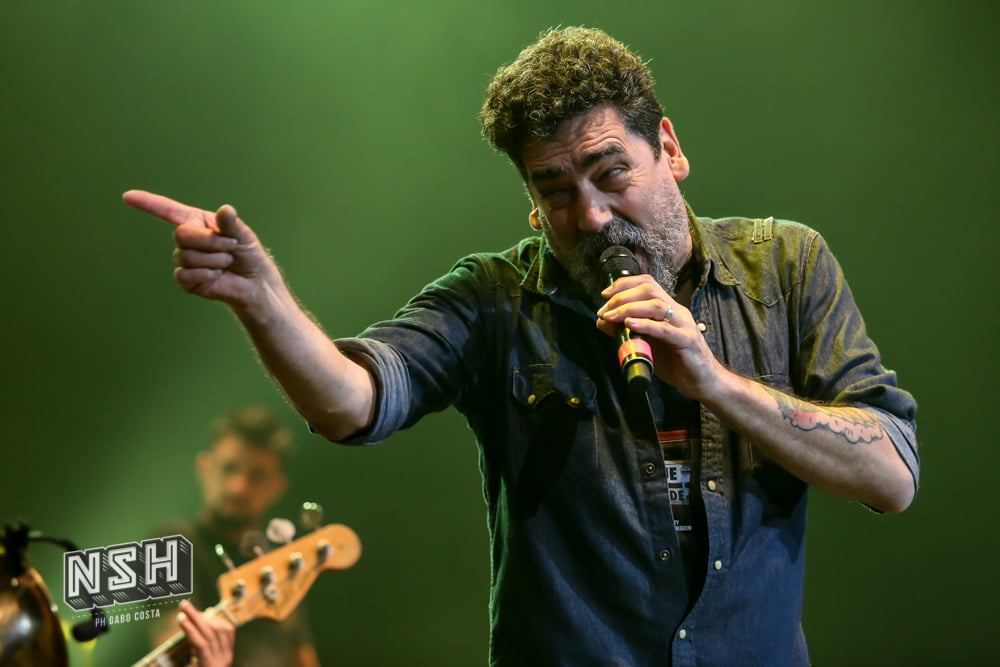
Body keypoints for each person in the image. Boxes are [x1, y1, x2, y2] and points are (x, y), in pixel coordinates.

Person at [124, 26, 919, 666]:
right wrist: (263, 302)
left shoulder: (784, 266)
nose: (593, 215)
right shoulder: (495, 298)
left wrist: (715, 382)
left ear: (669, 149)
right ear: (533, 205)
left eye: (611, 172)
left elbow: (890, 474)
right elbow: (351, 400)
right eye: (557, 190)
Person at [148, 406, 320, 667]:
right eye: (228, 468)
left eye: (257, 475)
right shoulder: (169, 544)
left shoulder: (282, 562)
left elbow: (303, 656)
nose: (238, 487)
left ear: (278, 485)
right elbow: (170, 651)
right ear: (204, 466)